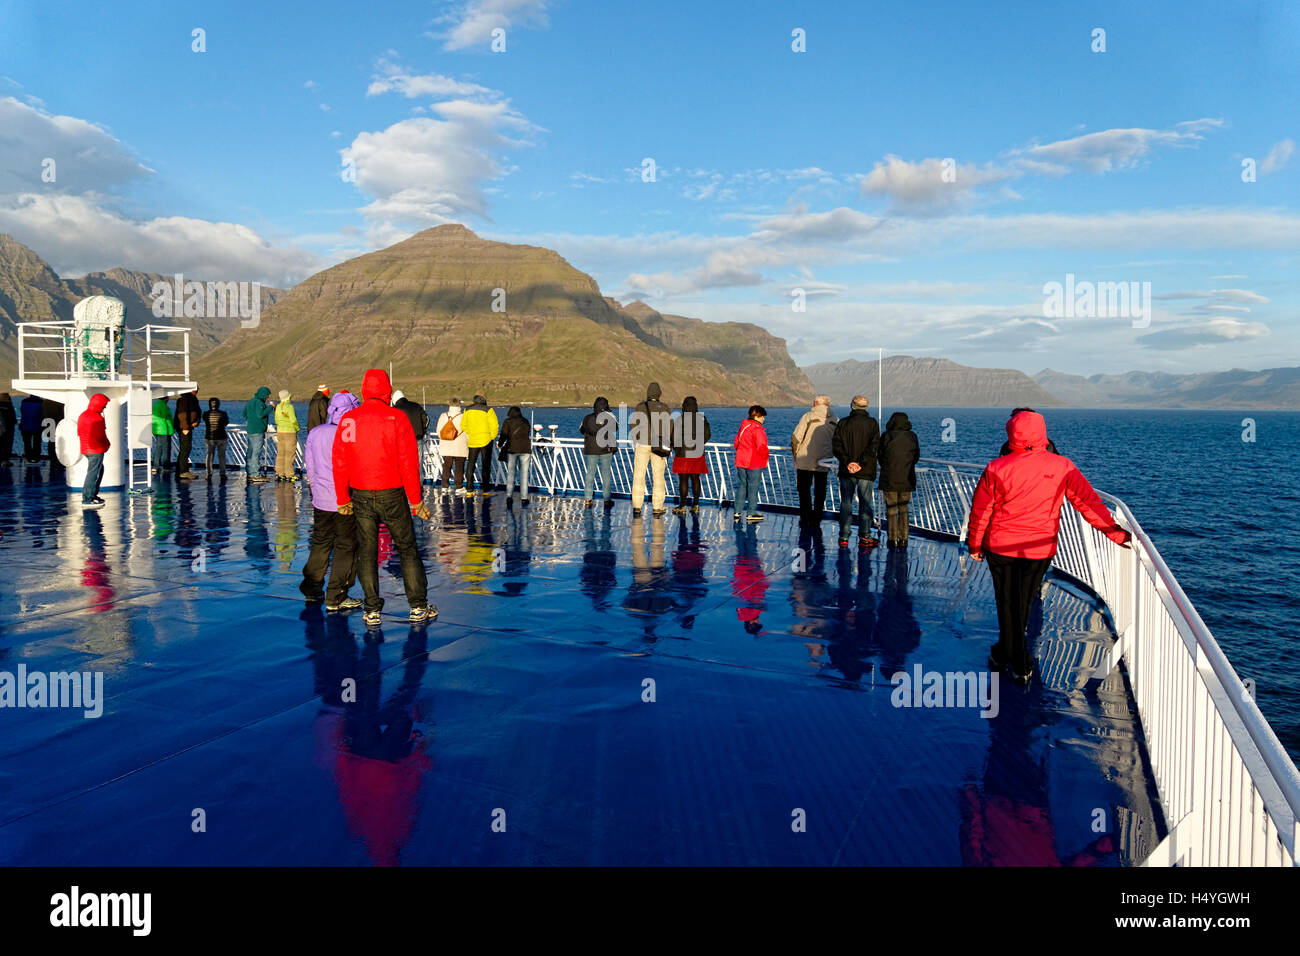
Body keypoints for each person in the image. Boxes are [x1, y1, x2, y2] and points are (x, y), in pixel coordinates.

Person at [967, 410, 1131, 685]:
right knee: (1022, 604)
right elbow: (1087, 503)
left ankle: (1004, 655)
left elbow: (981, 510)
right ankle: (1016, 661)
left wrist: (975, 544)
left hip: (1001, 547)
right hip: (1038, 549)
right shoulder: (1062, 466)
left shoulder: (997, 467)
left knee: (1006, 603)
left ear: (1012, 434)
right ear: (1042, 433)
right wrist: (1116, 535)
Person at [332, 368, 433, 626]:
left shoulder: (349, 420)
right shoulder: (397, 418)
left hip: (361, 495)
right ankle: (417, 607)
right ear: (387, 390)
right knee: (407, 548)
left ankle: (372, 610)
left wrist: (342, 498)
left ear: (364, 389)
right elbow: (408, 463)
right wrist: (416, 500)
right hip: (393, 493)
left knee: (367, 552)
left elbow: (340, 462)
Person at [301, 390, 362, 611]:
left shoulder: (316, 433)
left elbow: (311, 468)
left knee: (320, 542)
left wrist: (316, 491)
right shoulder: (351, 434)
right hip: (345, 499)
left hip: (321, 500)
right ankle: (336, 595)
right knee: (346, 546)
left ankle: (312, 587)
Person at [832, 395, 880, 550]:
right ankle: (865, 536)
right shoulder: (872, 424)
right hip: (865, 471)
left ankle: (844, 536)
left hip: (847, 471)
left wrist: (848, 463)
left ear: (852, 406)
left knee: (846, 503)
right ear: (866, 407)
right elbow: (873, 448)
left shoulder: (843, 423)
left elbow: (836, 446)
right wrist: (860, 463)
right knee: (866, 504)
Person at [791, 395, 838, 527]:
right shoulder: (835, 419)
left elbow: (796, 437)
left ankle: (805, 518)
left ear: (816, 403)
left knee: (804, 490)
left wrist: (796, 455)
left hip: (805, 459)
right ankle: (817, 518)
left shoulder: (808, 417)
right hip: (825, 460)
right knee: (820, 491)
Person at [877, 411, 920, 548]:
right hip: (907, 478)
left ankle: (892, 539)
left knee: (891, 509)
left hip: (889, 478)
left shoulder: (886, 436)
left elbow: (880, 456)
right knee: (904, 508)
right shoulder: (912, 437)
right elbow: (916, 457)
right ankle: (904, 538)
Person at [629, 382, 671, 518]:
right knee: (658, 477)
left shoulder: (640, 407)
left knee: (638, 476)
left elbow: (633, 425)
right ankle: (657, 507)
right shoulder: (664, 408)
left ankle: (636, 506)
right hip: (658, 446)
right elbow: (669, 427)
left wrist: (638, 439)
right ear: (659, 393)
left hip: (642, 445)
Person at [671, 396, 710, 515]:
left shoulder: (680, 419)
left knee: (683, 480)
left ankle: (682, 506)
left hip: (683, 454)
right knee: (695, 478)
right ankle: (695, 505)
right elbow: (707, 434)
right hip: (697, 453)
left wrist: (678, 450)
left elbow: (674, 438)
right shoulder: (702, 419)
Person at [580, 396, 618, 509]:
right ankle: (606, 500)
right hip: (605, 449)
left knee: (590, 474)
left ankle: (588, 499)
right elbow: (615, 428)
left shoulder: (587, 418)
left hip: (591, 449)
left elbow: (582, 430)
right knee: (606, 474)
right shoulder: (610, 418)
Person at [732, 405, 768, 523]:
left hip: (741, 461)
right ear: (757, 416)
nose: (763, 419)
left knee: (742, 486)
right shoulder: (757, 429)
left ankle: (737, 511)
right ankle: (751, 512)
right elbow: (762, 447)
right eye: (762, 416)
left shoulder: (743, 427)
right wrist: (766, 457)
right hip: (753, 462)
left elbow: (736, 444)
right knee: (753, 487)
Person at [77, 393, 110, 509]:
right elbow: (100, 436)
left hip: (86, 448)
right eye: (104, 405)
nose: (105, 407)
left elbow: (79, 432)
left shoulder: (83, 415)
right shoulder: (97, 418)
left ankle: (92, 495)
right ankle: (87, 498)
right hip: (95, 449)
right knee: (93, 473)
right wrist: (107, 444)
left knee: (98, 470)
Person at [462, 394, 499, 497]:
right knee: (485, 465)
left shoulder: (467, 410)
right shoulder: (488, 410)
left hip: (473, 440)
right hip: (486, 441)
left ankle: (469, 489)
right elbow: (494, 425)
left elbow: (463, 425)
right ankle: (485, 489)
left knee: (470, 464)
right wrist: (491, 437)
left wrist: (471, 433)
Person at [498, 405, 533, 506]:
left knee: (511, 474)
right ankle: (524, 498)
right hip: (526, 449)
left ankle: (509, 497)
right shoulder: (525, 421)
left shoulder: (508, 421)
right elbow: (527, 432)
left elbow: (504, 434)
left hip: (512, 449)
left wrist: (500, 444)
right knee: (524, 474)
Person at [435, 398, 469, 496]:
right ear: (459, 405)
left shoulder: (443, 416)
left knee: (447, 466)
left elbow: (438, 431)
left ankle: (445, 486)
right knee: (459, 466)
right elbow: (467, 432)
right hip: (460, 445)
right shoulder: (463, 417)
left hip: (446, 445)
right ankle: (459, 487)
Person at [244, 386, 273, 482]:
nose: (268, 398)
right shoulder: (260, 403)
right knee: (256, 453)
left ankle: (249, 472)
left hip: (250, 430)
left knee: (250, 452)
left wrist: (251, 420)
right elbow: (260, 414)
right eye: (267, 395)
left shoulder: (250, 401)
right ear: (264, 394)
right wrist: (270, 407)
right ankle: (255, 475)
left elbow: (244, 414)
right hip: (258, 430)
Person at [173, 388, 201, 479]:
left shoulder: (192, 399)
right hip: (184, 428)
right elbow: (182, 414)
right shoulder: (185, 400)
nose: (197, 390)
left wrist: (196, 421)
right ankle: (183, 471)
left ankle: (179, 470)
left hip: (188, 427)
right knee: (185, 448)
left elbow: (197, 411)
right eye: (196, 389)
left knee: (185, 448)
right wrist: (185, 427)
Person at [274, 389, 300, 482]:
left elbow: (276, 420)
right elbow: (293, 420)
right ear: (288, 396)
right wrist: (297, 428)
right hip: (290, 432)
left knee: (281, 453)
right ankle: (289, 474)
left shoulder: (277, 407)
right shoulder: (289, 407)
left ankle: (279, 473)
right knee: (290, 454)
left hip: (280, 432)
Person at [203, 397, 230, 481]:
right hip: (222, 437)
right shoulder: (223, 413)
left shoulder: (205, 414)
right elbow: (226, 423)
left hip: (209, 437)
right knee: (222, 456)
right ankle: (222, 474)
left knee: (209, 456)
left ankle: (208, 473)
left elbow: (205, 421)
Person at [150, 394, 174, 475]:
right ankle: (166, 466)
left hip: (156, 430)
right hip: (164, 430)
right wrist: (171, 428)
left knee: (158, 448)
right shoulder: (164, 406)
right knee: (165, 449)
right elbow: (166, 418)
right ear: (165, 398)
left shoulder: (155, 405)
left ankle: (155, 466)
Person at [20, 394, 44, 463]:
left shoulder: (24, 401)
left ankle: (29, 458)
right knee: (37, 443)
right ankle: (36, 458)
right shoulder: (41, 402)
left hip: (25, 426)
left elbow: (22, 411)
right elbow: (42, 413)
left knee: (27, 443)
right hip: (37, 426)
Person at [0, 392, 15, 463]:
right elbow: (13, 419)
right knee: (7, 445)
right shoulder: (9, 406)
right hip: (8, 429)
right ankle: (6, 460)